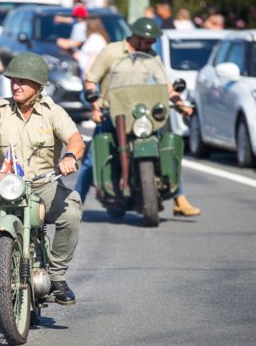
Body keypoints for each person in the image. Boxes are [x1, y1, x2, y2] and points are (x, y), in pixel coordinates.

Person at [0, 52, 85, 307]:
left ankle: (57, 277)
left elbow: (76, 140)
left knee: (70, 213)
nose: (16, 86)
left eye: (23, 81)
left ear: (38, 86)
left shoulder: (52, 112)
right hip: (8, 184)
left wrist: (69, 156)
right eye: (13, 80)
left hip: (44, 184)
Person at [76, 17, 201, 217]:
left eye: (153, 41)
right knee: (92, 160)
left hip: (143, 116)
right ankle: (75, 204)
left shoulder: (151, 56)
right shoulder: (111, 52)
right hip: (113, 113)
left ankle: (179, 199)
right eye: (149, 40)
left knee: (167, 151)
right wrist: (96, 107)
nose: (152, 44)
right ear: (136, 37)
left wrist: (181, 104)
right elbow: (91, 81)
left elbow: (165, 85)